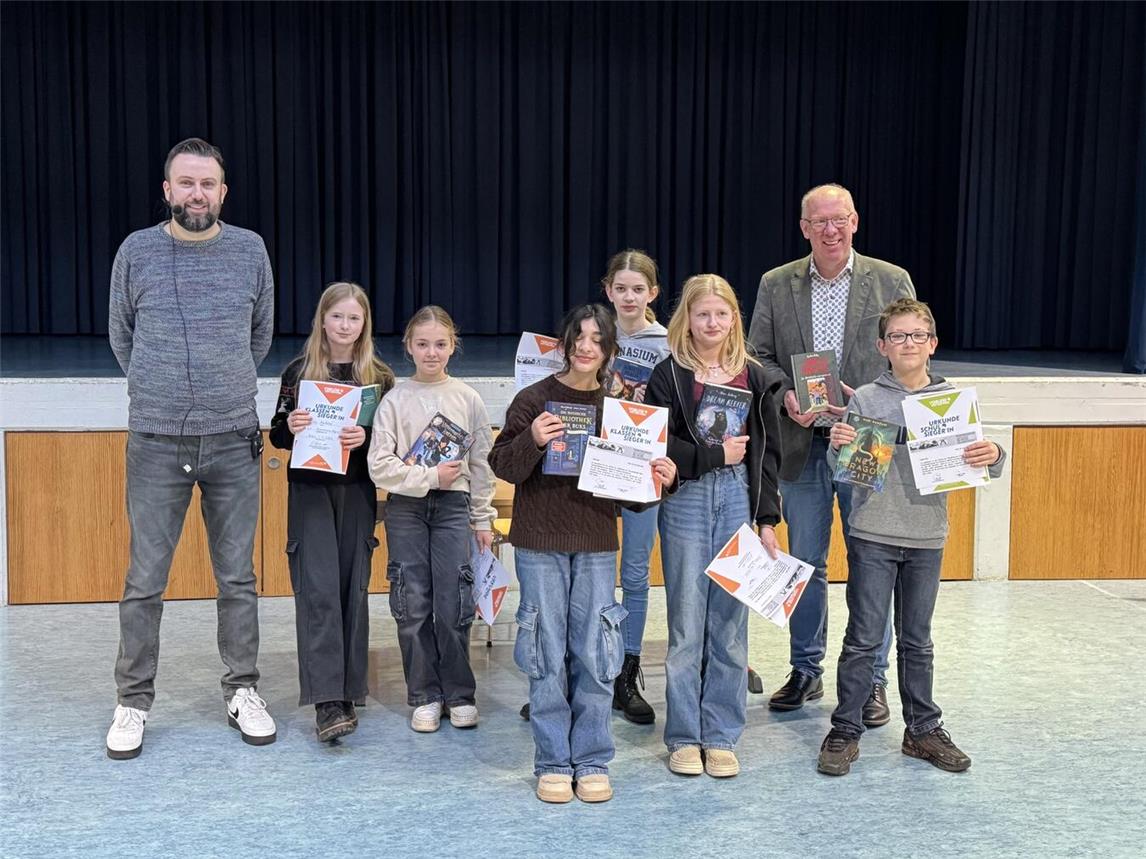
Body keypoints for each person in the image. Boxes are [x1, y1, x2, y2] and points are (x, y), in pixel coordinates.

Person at [105, 137, 276, 759]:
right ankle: (132, 700)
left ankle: (243, 689)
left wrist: (217, 386)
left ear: (222, 193)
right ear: (167, 190)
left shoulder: (250, 250)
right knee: (145, 580)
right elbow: (121, 334)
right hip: (154, 440)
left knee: (238, 578)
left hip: (233, 438)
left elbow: (259, 335)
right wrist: (162, 389)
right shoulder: (137, 251)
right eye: (185, 183)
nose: (196, 194)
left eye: (207, 184)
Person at [490, 304, 677, 804]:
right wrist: (532, 439)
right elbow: (503, 466)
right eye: (579, 336)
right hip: (539, 543)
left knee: (596, 651)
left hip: (595, 543)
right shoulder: (534, 399)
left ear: (610, 348)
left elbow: (632, 496)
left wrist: (654, 479)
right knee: (545, 650)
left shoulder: (621, 412)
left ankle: (592, 757)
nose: (587, 346)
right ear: (564, 343)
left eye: (598, 338)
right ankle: (553, 760)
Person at [747, 183, 915, 725]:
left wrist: (870, 405)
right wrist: (784, 394)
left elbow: (905, 357)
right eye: (818, 222)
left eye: (838, 219)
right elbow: (758, 356)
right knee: (806, 565)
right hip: (801, 444)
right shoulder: (776, 284)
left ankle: (872, 681)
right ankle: (805, 669)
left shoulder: (890, 280)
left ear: (855, 221)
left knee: (873, 564)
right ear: (804, 229)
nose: (830, 230)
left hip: (866, 438)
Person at [817, 298, 1006, 776]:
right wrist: (837, 448)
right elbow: (844, 472)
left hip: (926, 536)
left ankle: (922, 729)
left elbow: (983, 462)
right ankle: (845, 727)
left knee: (917, 641)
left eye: (917, 336)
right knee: (863, 638)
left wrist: (994, 452)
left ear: (932, 344)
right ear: (882, 346)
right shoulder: (865, 398)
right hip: (872, 534)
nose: (908, 344)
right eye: (898, 336)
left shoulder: (952, 403)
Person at [645, 274, 783, 779]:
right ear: (687, 318)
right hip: (685, 497)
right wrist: (711, 455)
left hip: (736, 497)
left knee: (729, 623)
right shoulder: (669, 374)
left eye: (721, 315)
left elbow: (767, 455)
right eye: (702, 314)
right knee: (686, 622)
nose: (712, 324)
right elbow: (657, 443)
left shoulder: (754, 375)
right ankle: (684, 736)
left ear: (733, 320)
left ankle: (721, 734)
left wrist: (766, 518)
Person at [269, 281, 395, 743]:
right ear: (322, 319)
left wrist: (366, 440)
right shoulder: (299, 371)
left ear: (365, 325)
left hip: (356, 490)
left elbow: (388, 443)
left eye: (354, 318)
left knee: (351, 589)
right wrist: (293, 425)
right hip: (310, 492)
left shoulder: (379, 376)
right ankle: (326, 701)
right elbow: (279, 434)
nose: (345, 326)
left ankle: (350, 691)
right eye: (337, 316)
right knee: (318, 590)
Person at [367, 306, 496, 733]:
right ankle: (424, 693)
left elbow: (481, 465)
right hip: (406, 509)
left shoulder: (467, 398)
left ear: (453, 346)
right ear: (408, 347)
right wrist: (427, 476)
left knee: (454, 602)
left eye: (440, 344)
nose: (431, 352)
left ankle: (459, 693)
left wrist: (482, 519)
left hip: (453, 509)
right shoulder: (395, 400)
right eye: (422, 344)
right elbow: (379, 466)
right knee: (412, 602)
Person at [601, 249, 672, 725]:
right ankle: (589, 668)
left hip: (644, 469)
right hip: (596, 465)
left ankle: (626, 672)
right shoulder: (591, 333)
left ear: (653, 294)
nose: (628, 297)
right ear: (608, 290)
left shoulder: (670, 342)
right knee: (590, 572)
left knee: (634, 573)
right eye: (620, 288)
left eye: (638, 289)